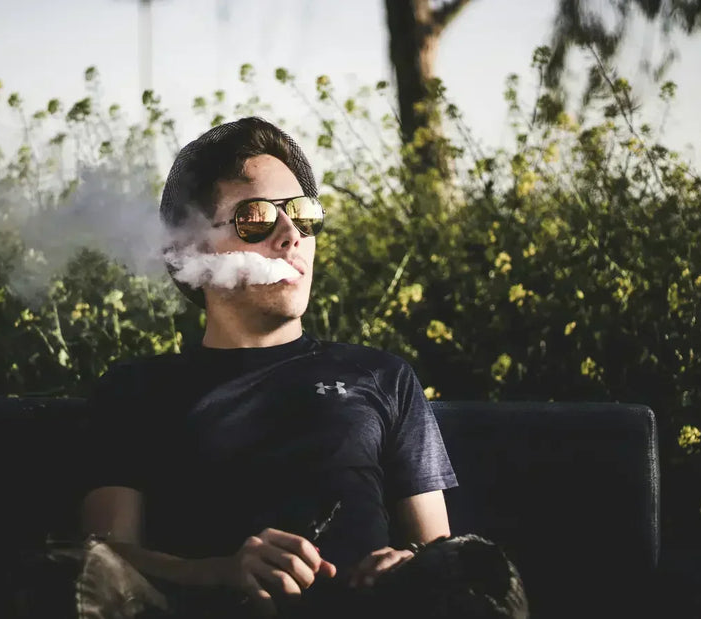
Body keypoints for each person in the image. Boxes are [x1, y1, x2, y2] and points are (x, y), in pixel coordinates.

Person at [70, 117, 526, 619]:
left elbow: (441, 553)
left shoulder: (382, 376)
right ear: (192, 248)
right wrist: (222, 572)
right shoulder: (139, 389)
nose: (290, 235)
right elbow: (105, 561)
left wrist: (410, 562)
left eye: (303, 215)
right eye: (256, 219)